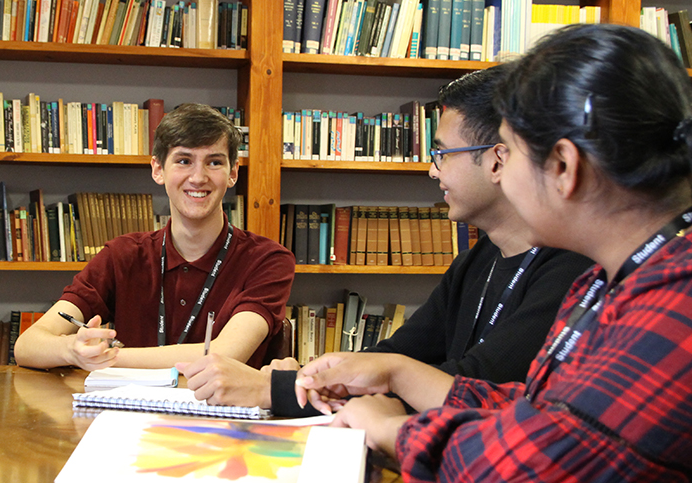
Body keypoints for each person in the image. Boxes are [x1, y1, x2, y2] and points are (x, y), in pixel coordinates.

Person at [296, 24, 692, 483]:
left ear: (563, 167)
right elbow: (543, 409)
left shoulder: (677, 300)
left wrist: (394, 434)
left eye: (511, 155)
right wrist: (396, 375)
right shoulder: (610, 281)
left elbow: (547, 467)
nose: (501, 173)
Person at [178, 65, 592, 416]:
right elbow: (397, 354)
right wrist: (306, 374)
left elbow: (470, 387)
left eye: (442, 155)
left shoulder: (573, 267)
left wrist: (275, 390)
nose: (433, 172)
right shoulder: (478, 258)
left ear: (499, 159)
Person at [15, 103, 295, 370]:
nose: (198, 177)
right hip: (128, 413)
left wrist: (106, 358)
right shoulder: (123, 255)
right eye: (184, 161)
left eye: (214, 162)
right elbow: (27, 346)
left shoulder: (268, 260)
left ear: (233, 172)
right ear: (158, 170)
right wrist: (71, 351)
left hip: (218, 417)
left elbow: (223, 354)